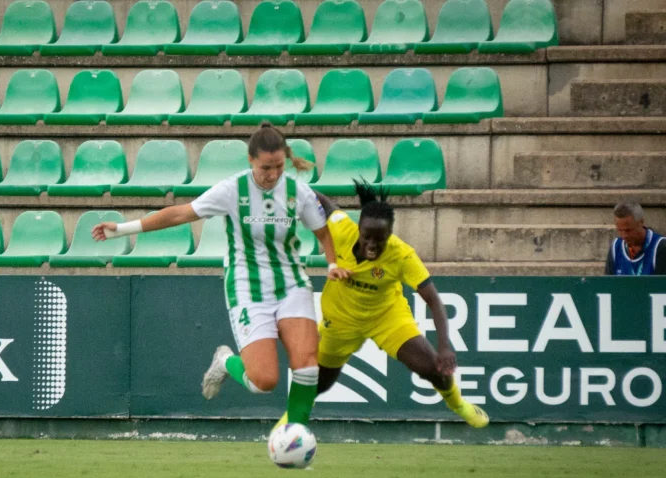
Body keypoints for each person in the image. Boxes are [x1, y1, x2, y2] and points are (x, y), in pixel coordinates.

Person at [92, 123, 350, 425]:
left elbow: (323, 233)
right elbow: (180, 213)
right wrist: (123, 229)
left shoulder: (298, 192)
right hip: (246, 287)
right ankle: (226, 361)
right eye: (266, 167)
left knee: (306, 367)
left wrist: (333, 264)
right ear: (251, 160)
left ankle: (296, 432)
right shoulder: (232, 190)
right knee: (263, 381)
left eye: (279, 167)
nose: (273, 174)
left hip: (292, 283)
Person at [274, 179, 489, 429]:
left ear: (390, 234)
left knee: (436, 371)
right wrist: (285, 186)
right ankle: (288, 423)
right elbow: (320, 200)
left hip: (386, 318)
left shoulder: (402, 255)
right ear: (359, 229)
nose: (373, 245)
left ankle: (458, 404)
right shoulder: (341, 229)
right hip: (341, 321)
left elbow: (434, 300)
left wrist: (444, 345)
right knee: (318, 383)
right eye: (367, 237)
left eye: (381, 239)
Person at [605, 202, 664, 276]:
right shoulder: (615, 247)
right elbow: (608, 284)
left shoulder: (661, 247)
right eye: (620, 230)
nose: (624, 236)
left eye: (628, 230)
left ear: (641, 222)